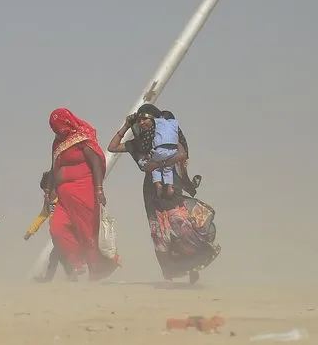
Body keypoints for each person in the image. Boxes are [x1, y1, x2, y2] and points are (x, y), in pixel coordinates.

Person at [107, 104, 220, 284]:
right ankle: (172, 273)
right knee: (160, 233)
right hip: (151, 190)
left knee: (180, 225)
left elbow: (181, 154)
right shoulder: (138, 142)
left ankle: (194, 264)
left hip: (169, 183)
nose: (142, 122)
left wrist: (160, 163)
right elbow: (112, 147)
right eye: (140, 120)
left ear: (155, 120)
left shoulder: (167, 136)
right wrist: (126, 126)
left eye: (146, 119)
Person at [47, 108, 121, 281]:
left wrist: (99, 189)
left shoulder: (82, 137)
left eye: (58, 126)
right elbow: (53, 167)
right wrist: (50, 192)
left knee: (87, 232)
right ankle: (76, 261)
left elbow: (96, 162)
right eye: (54, 128)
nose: (57, 130)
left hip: (84, 191)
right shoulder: (57, 143)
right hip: (63, 197)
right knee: (56, 227)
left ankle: (95, 271)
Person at [24, 170, 73, 282]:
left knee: (55, 256)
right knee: (58, 256)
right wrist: (30, 232)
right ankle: (70, 275)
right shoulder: (49, 203)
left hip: (65, 234)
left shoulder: (62, 200)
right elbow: (42, 216)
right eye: (44, 192)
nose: (46, 194)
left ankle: (50, 278)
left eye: (48, 191)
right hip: (56, 235)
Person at [136, 110, 180, 198]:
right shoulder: (174, 126)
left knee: (155, 169)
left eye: (144, 119)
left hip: (160, 151)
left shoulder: (157, 125)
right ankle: (170, 186)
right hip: (172, 151)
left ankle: (158, 184)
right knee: (168, 170)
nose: (141, 123)